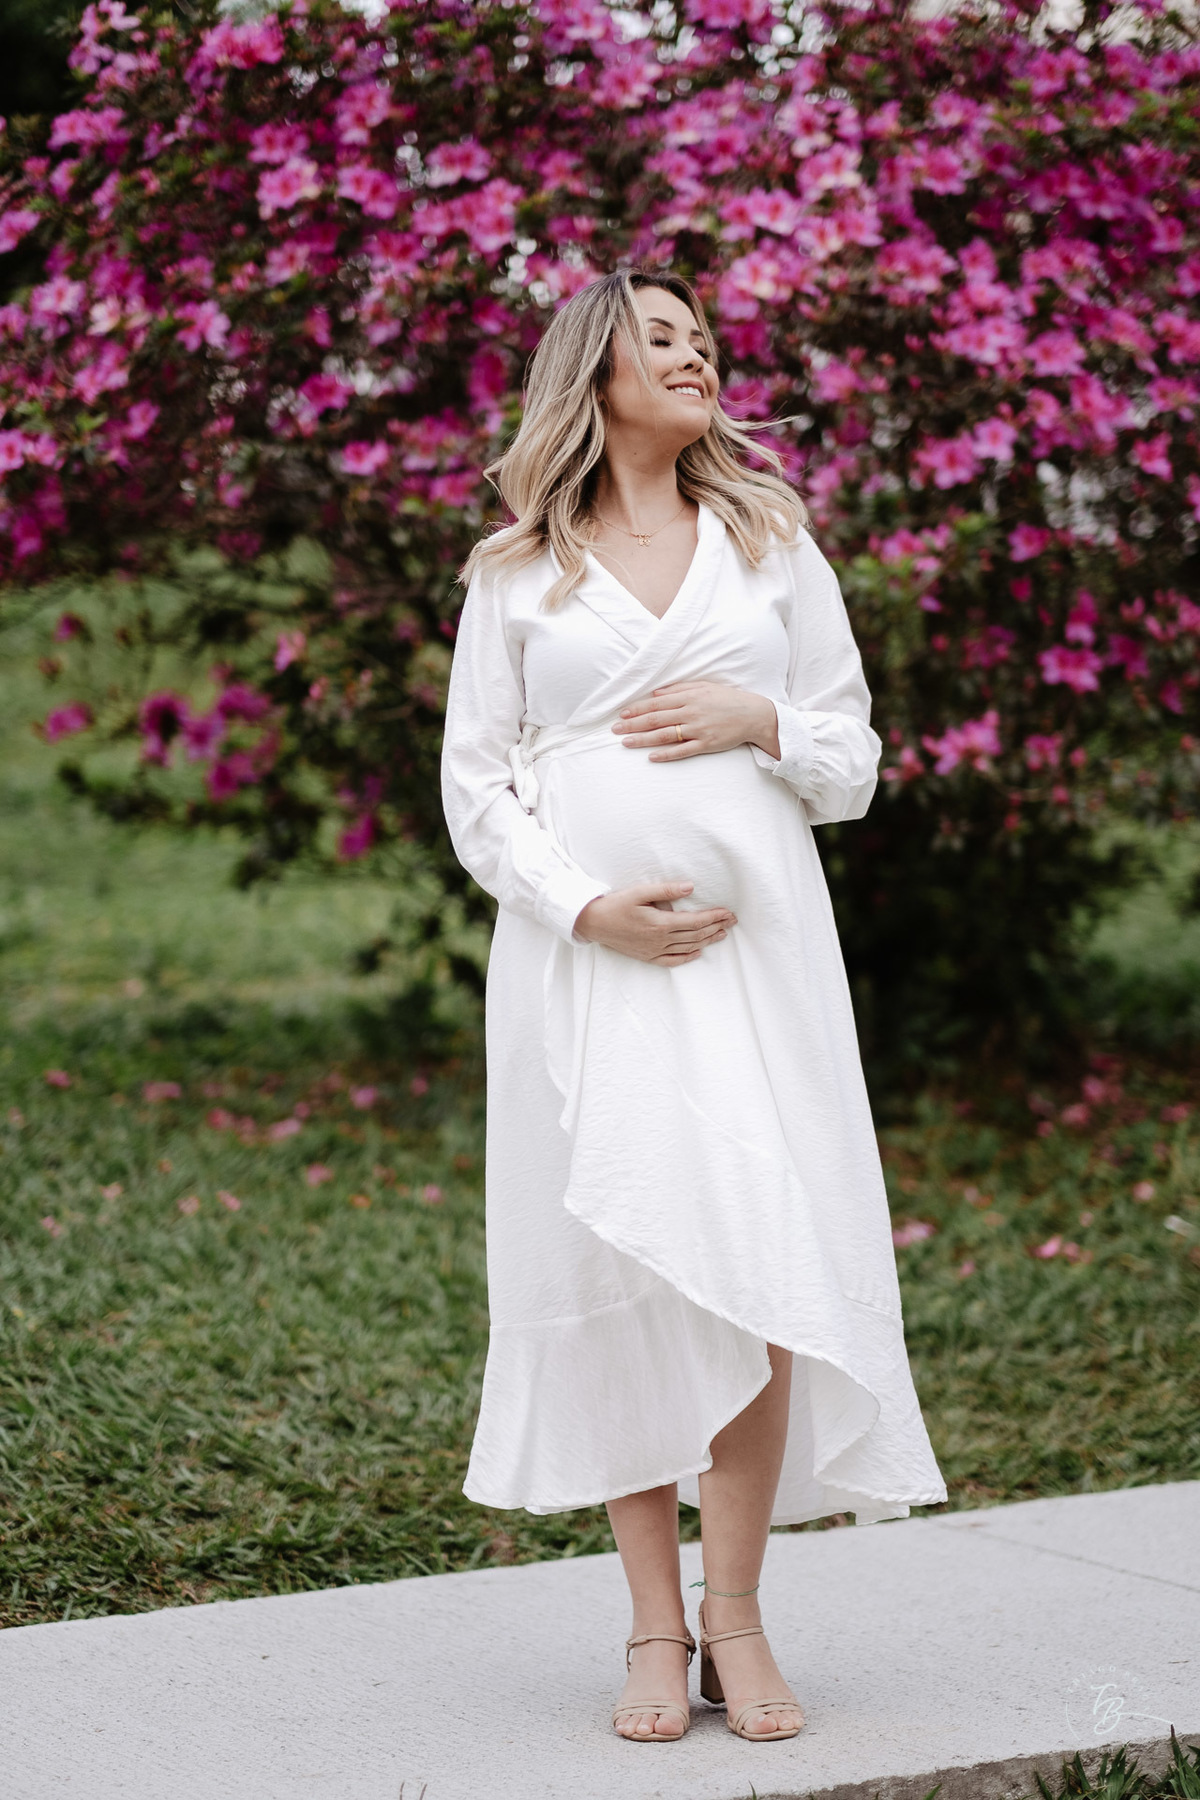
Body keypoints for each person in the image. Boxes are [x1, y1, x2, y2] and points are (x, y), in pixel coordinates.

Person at [440, 269, 946, 1746]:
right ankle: (653, 1628)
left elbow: (849, 756)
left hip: (755, 968)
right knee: (629, 1277)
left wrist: (759, 719)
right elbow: (478, 792)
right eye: (661, 338)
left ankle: (739, 1615)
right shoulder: (518, 572)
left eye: (704, 338)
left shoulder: (768, 541)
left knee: (757, 1269)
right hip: (588, 973)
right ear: (593, 374)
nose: (699, 353)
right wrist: (586, 905)